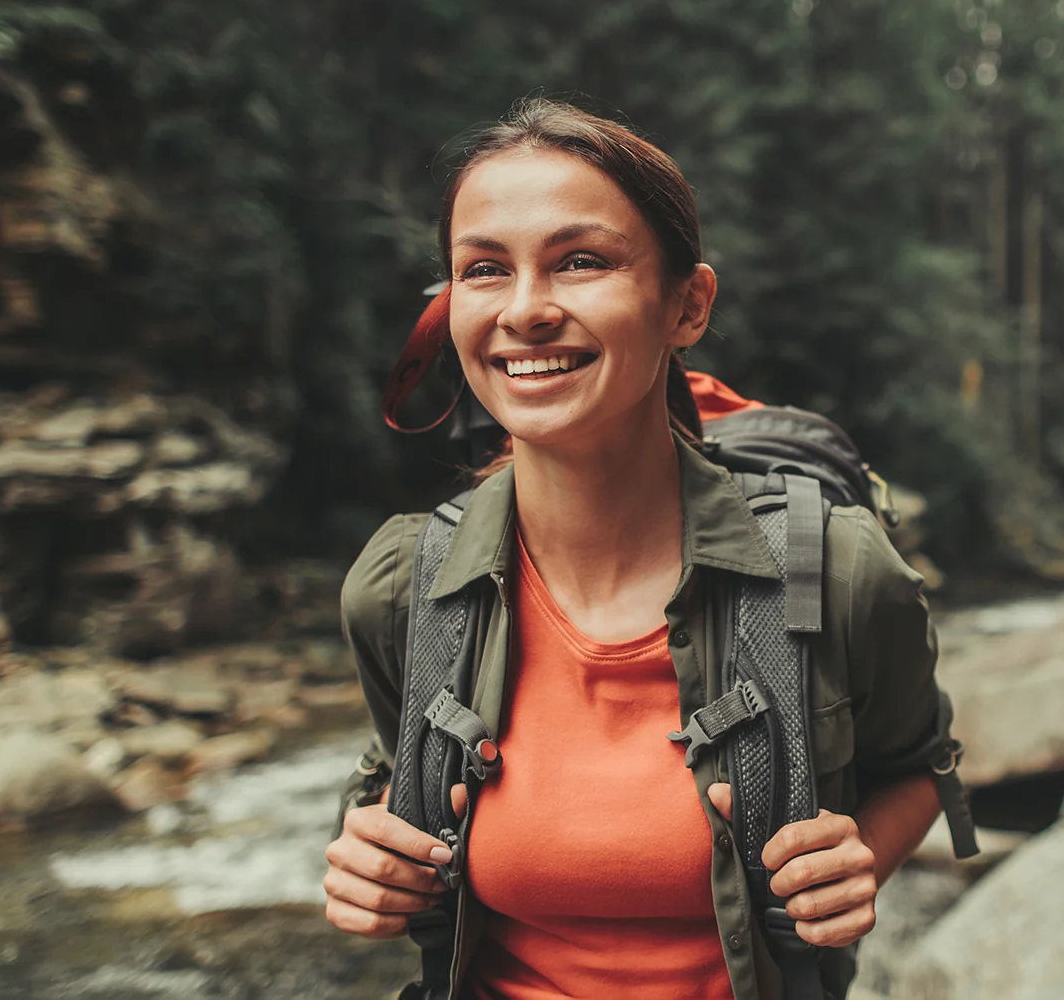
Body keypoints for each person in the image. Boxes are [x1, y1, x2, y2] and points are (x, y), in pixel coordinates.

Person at [324, 98, 959, 1000]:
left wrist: (859, 862)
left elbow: (923, 762)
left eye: (580, 262)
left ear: (686, 305)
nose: (527, 310)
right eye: (484, 270)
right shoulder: (407, 588)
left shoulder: (834, 568)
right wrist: (367, 853)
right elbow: (392, 786)